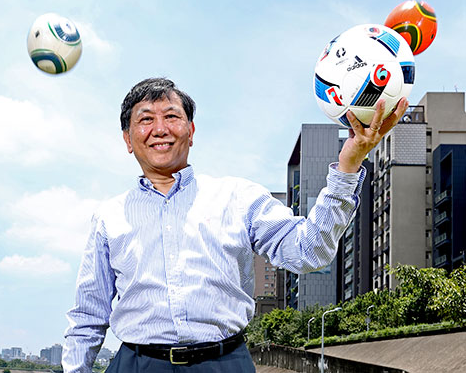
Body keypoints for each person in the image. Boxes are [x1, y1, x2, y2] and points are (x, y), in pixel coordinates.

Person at [62, 77, 408, 373]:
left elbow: (309, 251)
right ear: (127, 138)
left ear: (191, 131)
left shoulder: (238, 198)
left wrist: (348, 167)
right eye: (146, 119)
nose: (160, 129)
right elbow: (87, 317)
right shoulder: (109, 217)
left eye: (172, 116)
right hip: (137, 364)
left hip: (224, 362)